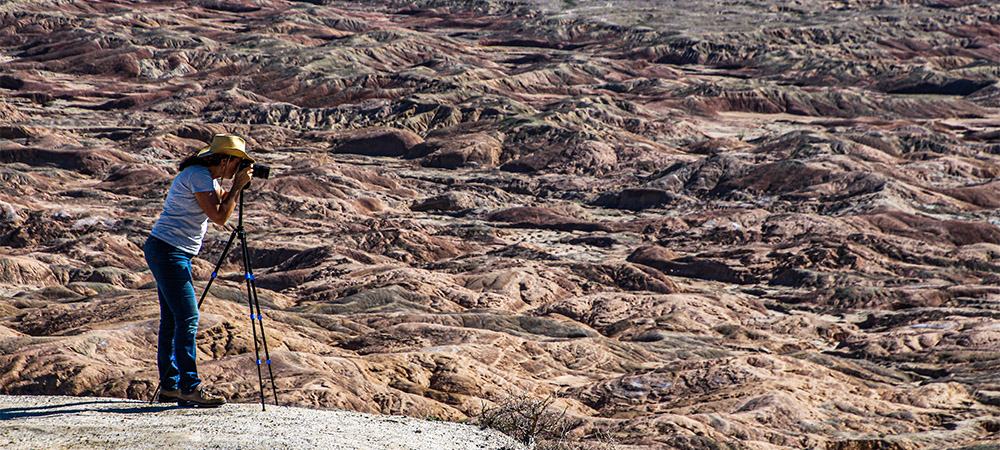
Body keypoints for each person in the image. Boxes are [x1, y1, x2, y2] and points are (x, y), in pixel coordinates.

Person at [144, 134, 253, 407]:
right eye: (238, 163)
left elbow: (219, 204)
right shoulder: (199, 176)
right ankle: (189, 387)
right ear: (226, 160)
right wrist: (238, 188)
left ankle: (170, 386)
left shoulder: (206, 178)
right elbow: (219, 217)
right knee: (188, 318)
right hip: (170, 252)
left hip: (167, 250)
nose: (239, 169)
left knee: (171, 321)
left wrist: (235, 187)